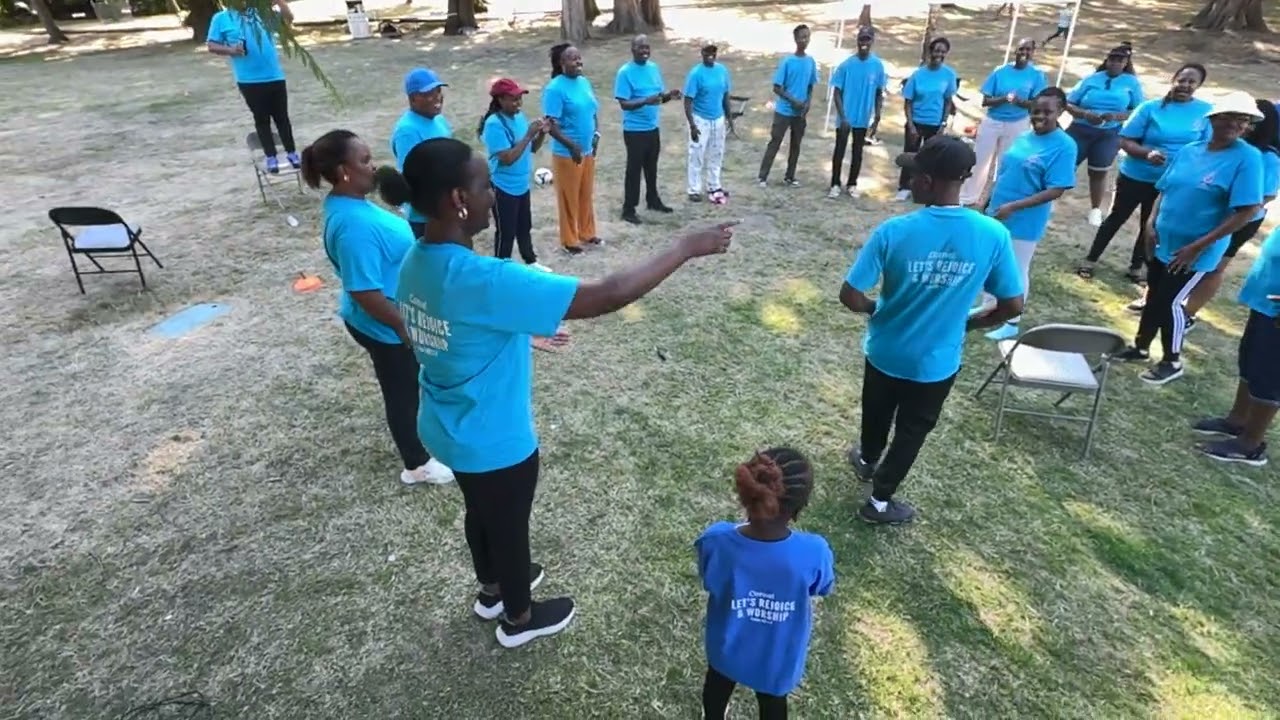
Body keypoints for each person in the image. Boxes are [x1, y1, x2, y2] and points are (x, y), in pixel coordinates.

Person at [379, 136, 735, 648]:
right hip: (494, 437)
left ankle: (493, 591)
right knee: (507, 524)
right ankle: (519, 619)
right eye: (484, 187)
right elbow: (607, 294)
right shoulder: (484, 277)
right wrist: (684, 247)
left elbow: (448, 324)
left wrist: (516, 332)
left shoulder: (417, 261)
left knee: (479, 509)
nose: (493, 196)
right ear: (459, 199)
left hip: (446, 424)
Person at [840, 136, 1024, 524]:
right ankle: (879, 502)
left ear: (926, 181)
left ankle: (868, 458)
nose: (909, 180)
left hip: (886, 349)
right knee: (912, 430)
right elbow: (1012, 304)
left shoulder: (894, 231)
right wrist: (970, 322)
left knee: (876, 411)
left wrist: (877, 310)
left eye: (913, 174)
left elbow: (851, 295)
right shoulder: (992, 234)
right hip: (937, 361)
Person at [300, 130, 455, 486]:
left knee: (411, 383)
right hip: (383, 323)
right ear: (343, 171)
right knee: (400, 390)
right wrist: (403, 327)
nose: (374, 167)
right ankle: (416, 465)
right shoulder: (353, 225)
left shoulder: (353, 203)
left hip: (394, 318)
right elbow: (365, 291)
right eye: (365, 161)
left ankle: (426, 440)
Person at [1115, 92, 1264, 386]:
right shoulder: (1190, 150)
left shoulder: (1248, 159)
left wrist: (1199, 246)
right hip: (1163, 240)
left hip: (1196, 251)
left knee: (1171, 303)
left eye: (1243, 120)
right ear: (1213, 119)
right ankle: (1140, 347)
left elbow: (1246, 210)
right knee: (1154, 294)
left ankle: (1172, 360)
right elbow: (1164, 188)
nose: (1235, 124)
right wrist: (1150, 225)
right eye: (1229, 116)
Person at [696, 448, 834, 720]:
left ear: (747, 494)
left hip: (725, 647)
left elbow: (709, 579)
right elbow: (823, 586)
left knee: (716, 687)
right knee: (772, 705)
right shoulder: (814, 552)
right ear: (799, 507)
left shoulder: (715, 540)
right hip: (776, 659)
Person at [1075, 63, 1211, 283]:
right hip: (1136, 175)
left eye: (1191, 81)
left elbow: (1207, 148)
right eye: (1182, 80)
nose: (1185, 85)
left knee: (1150, 224)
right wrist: (1146, 153)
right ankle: (1090, 259)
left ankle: (1136, 267)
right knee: (1117, 217)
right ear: (1173, 80)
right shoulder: (1150, 108)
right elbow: (1124, 139)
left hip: (1171, 182)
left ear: (1199, 85)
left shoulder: (1205, 112)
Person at [979, 87, 1077, 340]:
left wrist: (1014, 207)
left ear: (1061, 112)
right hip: (998, 210)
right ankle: (990, 307)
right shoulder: (1024, 136)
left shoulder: (1064, 146)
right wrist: (987, 200)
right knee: (993, 261)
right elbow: (1004, 172)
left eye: (1047, 112)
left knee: (1016, 268)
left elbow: (1056, 189)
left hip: (1025, 218)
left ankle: (1012, 321)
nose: (1040, 116)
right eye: (1036, 111)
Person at [1183, 99, 1280, 329]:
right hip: (1207, 213)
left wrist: (1235, 214)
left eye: (1246, 120)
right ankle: (1158, 300)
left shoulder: (1269, 158)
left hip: (1240, 222)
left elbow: (1265, 196)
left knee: (1214, 266)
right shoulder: (1225, 147)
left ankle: (1188, 312)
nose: (1240, 125)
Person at [1191, 228, 1279, 467]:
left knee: (1268, 374)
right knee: (1250, 361)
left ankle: (1250, 444)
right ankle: (1237, 420)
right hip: (1267, 299)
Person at [206, 0, 298, 174]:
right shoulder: (222, 18)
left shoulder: (262, 14)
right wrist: (232, 50)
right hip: (249, 80)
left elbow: (288, 19)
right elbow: (211, 45)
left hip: (274, 76)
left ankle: (292, 153)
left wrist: (280, 2)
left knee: (282, 118)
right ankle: (271, 156)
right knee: (261, 119)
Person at [958, 38, 1047, 208]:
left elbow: (1036, 103)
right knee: (979, 160)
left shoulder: (1036, 76)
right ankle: (967, 197)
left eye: (1028, 50)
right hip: (993, 121)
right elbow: (985, 100)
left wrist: (1019, 102)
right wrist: (1004, 99)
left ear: (1033, 52)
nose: (1024, 53)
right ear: (1015, 50)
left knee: (1007, 162)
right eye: (1021, 49)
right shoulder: (1000, 72)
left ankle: (998, 199)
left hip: (1018, 122)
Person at [1065, 44, 1144, 227]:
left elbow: (1138, 110)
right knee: (1064, 163)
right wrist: (1084, 114)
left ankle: (1095, 209)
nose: (1115, 63)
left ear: (1126, 63)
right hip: (1081, 129)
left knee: (1099, 171)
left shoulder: (1131, 83)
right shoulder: (1092, 79)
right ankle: (1046, 198)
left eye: (1120, 61)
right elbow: (1068, 103)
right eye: (1112, 59)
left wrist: (1116, 116)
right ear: (1106, 60)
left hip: (1109, 132)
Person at [478, 77, 552, 271]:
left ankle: (531, 261)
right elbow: (507, 158)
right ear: (500, 100)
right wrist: (528, 135)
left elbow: (532, 149)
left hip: (521, 184)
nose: (518, 103)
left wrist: (542, 133)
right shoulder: (494, 124)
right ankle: (501, 268)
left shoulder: (519, 117)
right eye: (513, 99)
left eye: (520, 98)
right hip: (503, 186)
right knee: (506, 231)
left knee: (524, 226)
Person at [543, 43, 602, 256]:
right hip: (567, 153)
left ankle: (587, 232)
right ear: (562, 63)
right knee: (569, 197)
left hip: (587, 151)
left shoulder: (584, 82)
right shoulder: (555, 89)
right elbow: (551, 125)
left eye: (579, 57)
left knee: (585, 193)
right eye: (573, 58)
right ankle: (570, 240)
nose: (579, 62)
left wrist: (596, 135)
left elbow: (593, 112)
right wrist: (572, 146)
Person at [615, 35, 680, 224]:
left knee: (652, 168)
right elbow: (624, 104)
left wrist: (669, 95)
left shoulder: (653, 68)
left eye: (647, 47)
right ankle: (628, 209)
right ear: (632, 49)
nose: (644, 51)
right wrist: (645, 101)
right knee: (634, 170)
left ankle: (653, 200)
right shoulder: (625, 72)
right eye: (640, 47)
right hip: (635, 131)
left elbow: (658, 98)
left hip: (653, 128)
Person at [391, 67, 451, 240]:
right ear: (413, 98)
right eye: (428, 93)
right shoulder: (407, 131)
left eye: (438, 91)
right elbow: (412, 178)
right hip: (425, 217)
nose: (437, 97)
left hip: (445, 208)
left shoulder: (439, 120)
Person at [896, 37, 958, 202]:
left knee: (931, 159)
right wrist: (911, 125)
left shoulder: (949, 75)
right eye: (937, 50)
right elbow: (908, 101)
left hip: (935, 124)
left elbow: (948, 102)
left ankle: (927, 188)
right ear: (930, 52)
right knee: (911, 155)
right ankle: (904, 186)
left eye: (943, 52)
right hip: (916, 122)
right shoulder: (918, 74)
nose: (939, 54)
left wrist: (943, 123)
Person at [828, 26, 887, 200]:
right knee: (839, 150)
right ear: (857, 40)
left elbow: (878, 92)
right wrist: (842, 116)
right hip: (845, 118)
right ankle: (835, 184)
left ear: (872, 41)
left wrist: (877, 115)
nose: (864, 43)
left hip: (863, 117)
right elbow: (837, 92)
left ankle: (852, 184)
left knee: (857, 152)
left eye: (867, 39)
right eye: (861, 39)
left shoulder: (877, 66)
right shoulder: (847, 65)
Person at [758, 25, 818, 188]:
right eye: (801, 37)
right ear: (795, 39)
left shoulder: (810, 61)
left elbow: (811, 85)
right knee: (775, 142)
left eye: (807, 37)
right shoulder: (787, 62)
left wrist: (807, 103)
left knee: (796, 145)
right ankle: (762, 176)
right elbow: (777, 87)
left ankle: (790, 176)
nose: (804, 40)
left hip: (800, 113)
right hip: (784, 110)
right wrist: (793, 101)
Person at [683, 44, 733, 202]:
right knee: (697, 154)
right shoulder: (696, 74)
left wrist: (729, 117)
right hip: (700, 119)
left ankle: (714, 185)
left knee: (716, 153)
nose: (710, 55)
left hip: (718, 118)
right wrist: (692, 125)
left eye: (713, 52)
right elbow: (688, 100)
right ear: (702, 54)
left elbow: (725, 95)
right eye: (707, 52)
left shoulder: (722, 71)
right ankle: (694, 189)